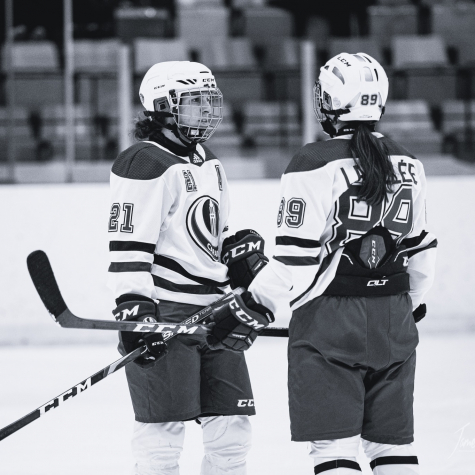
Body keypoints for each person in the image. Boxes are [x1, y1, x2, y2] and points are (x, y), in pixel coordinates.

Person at [210, 53, 437, 474]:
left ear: (331, 101)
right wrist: (411, 305)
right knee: (391, 447)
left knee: (333, 450)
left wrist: (250, 306)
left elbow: (294, 262)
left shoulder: (314, 162)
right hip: (395, 319)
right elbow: (422, 252)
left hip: (330, 321)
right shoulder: (411, 162)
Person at [107, 61, 273, 475]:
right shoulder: (142, 162)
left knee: (232, 430)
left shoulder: (207, 160)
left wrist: (235, 255)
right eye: (195, 101)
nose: (206, 110)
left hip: (218, 313)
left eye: (208, 100)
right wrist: (134, 308)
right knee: (161, 435)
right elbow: (129, 244)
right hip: (166, 312)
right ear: (162, 106)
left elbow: (208, 233)